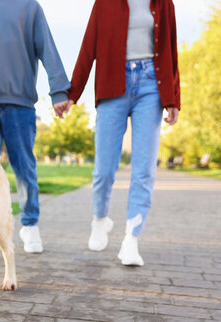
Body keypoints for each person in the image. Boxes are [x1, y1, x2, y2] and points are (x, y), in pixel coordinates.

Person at [0, 0, 72, 263]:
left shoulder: (30, 8)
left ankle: (29, 225)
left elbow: (48, 50)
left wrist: (59, 91)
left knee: (24, 167)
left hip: (20, 104)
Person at [68, 0, 180, 266]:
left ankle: (131, 239)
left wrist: (173, 98)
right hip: (112, 86)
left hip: (151, 84)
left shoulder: (163, 3)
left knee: (144, 170)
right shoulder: (104, 3)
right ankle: (100, 219)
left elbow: (170, 50)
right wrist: (73, 94)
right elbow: (88, 47)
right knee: (104, 170)